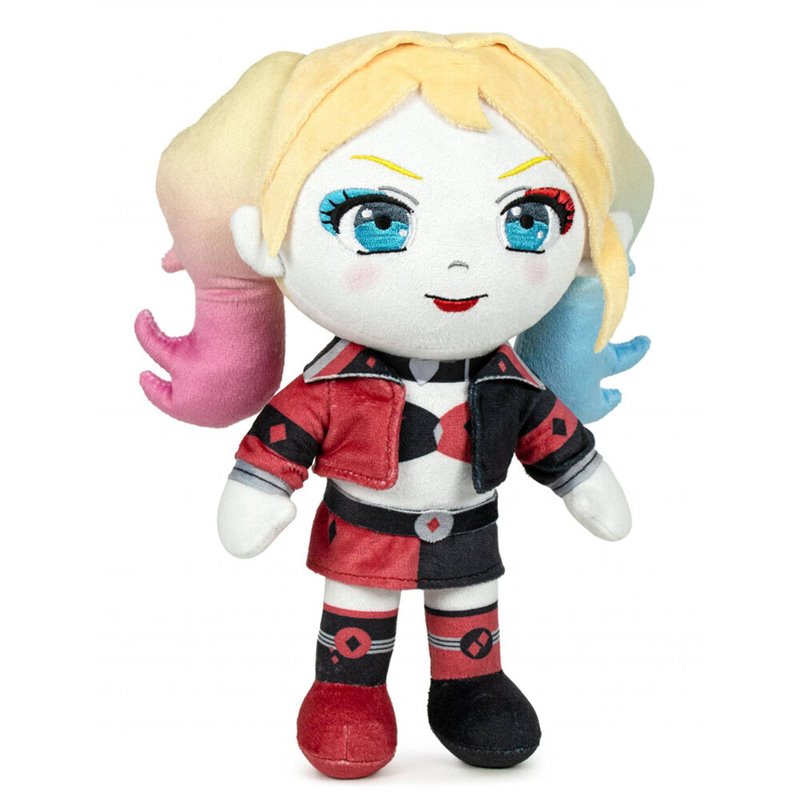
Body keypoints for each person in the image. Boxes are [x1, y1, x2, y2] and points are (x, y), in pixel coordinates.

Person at [137, 32, 653, 779]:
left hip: (468, 533)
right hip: (364, 535)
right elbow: (285, 435)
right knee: (358, 614)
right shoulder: (333, 383)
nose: (460, 263)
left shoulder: (509, 380)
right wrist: (260, 488)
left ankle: (471, 688)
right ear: (260, 237)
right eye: (379, 221)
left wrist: (584, 479)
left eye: (527, 220)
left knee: (470, 609)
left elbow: (551, 435)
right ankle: (349, 693)